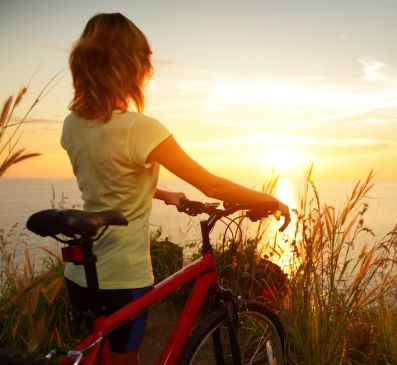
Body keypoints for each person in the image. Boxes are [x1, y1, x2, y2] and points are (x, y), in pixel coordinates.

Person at [61, 13, 289, 365]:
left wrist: (165, 194)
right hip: (122, 275)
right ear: (127, 65)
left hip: (80, 274)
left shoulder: (72, 125)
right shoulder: (141, 129)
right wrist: (267, 198)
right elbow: (210, 183)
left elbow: (110, 180)